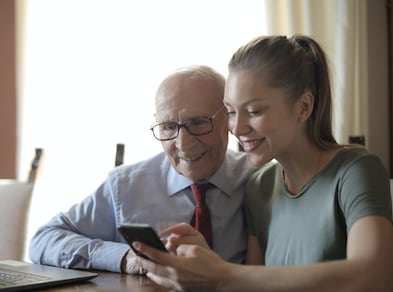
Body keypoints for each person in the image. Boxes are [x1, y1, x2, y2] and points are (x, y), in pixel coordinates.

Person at [130, 35, 393, 292]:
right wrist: (207, 261)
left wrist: (219, 274)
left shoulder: (356, 170)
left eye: (254, 111)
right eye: (231, 112)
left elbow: (375, 286)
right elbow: (253, 290)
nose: (237, 128)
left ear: (303, 107)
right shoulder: (259, 186)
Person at [28, 65, 258, 274]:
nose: (183, 144)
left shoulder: (261, 181)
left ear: (229, 119)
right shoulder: (125, 186)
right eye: (168, 127)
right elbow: (43, 240)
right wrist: (123, 257)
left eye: (198, 123)